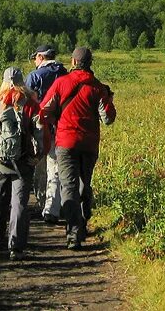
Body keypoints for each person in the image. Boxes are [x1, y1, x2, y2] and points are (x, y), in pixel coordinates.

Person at [40, 47, 115, 250]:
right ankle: (83, 220)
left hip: (65, 142)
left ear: (73, 62)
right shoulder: (98, 88)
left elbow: (43, 112)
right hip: (89, 144)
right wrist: (109, 99)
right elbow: (108, 119)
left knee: (69, 187)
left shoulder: (61, 83)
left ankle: (73, 234)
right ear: (90, 63)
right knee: (84, 184)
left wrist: (54, 121)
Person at [0, 67, 49, 261]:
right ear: (22, 81)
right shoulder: (31, 103)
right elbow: (41, 130)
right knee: (20, 204)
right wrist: (39, 155)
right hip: (23, 163)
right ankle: (16, 247)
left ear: (4, 81)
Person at [25, 44, 68, 224]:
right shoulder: (65, 74)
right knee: (55, 168)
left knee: (39, 167)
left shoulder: (34, 76)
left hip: (40, 127)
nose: (35, 61)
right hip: (61, 128)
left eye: (35, 57)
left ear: (41, 57)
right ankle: (52, 208)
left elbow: (26, 104)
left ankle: (43, 204)